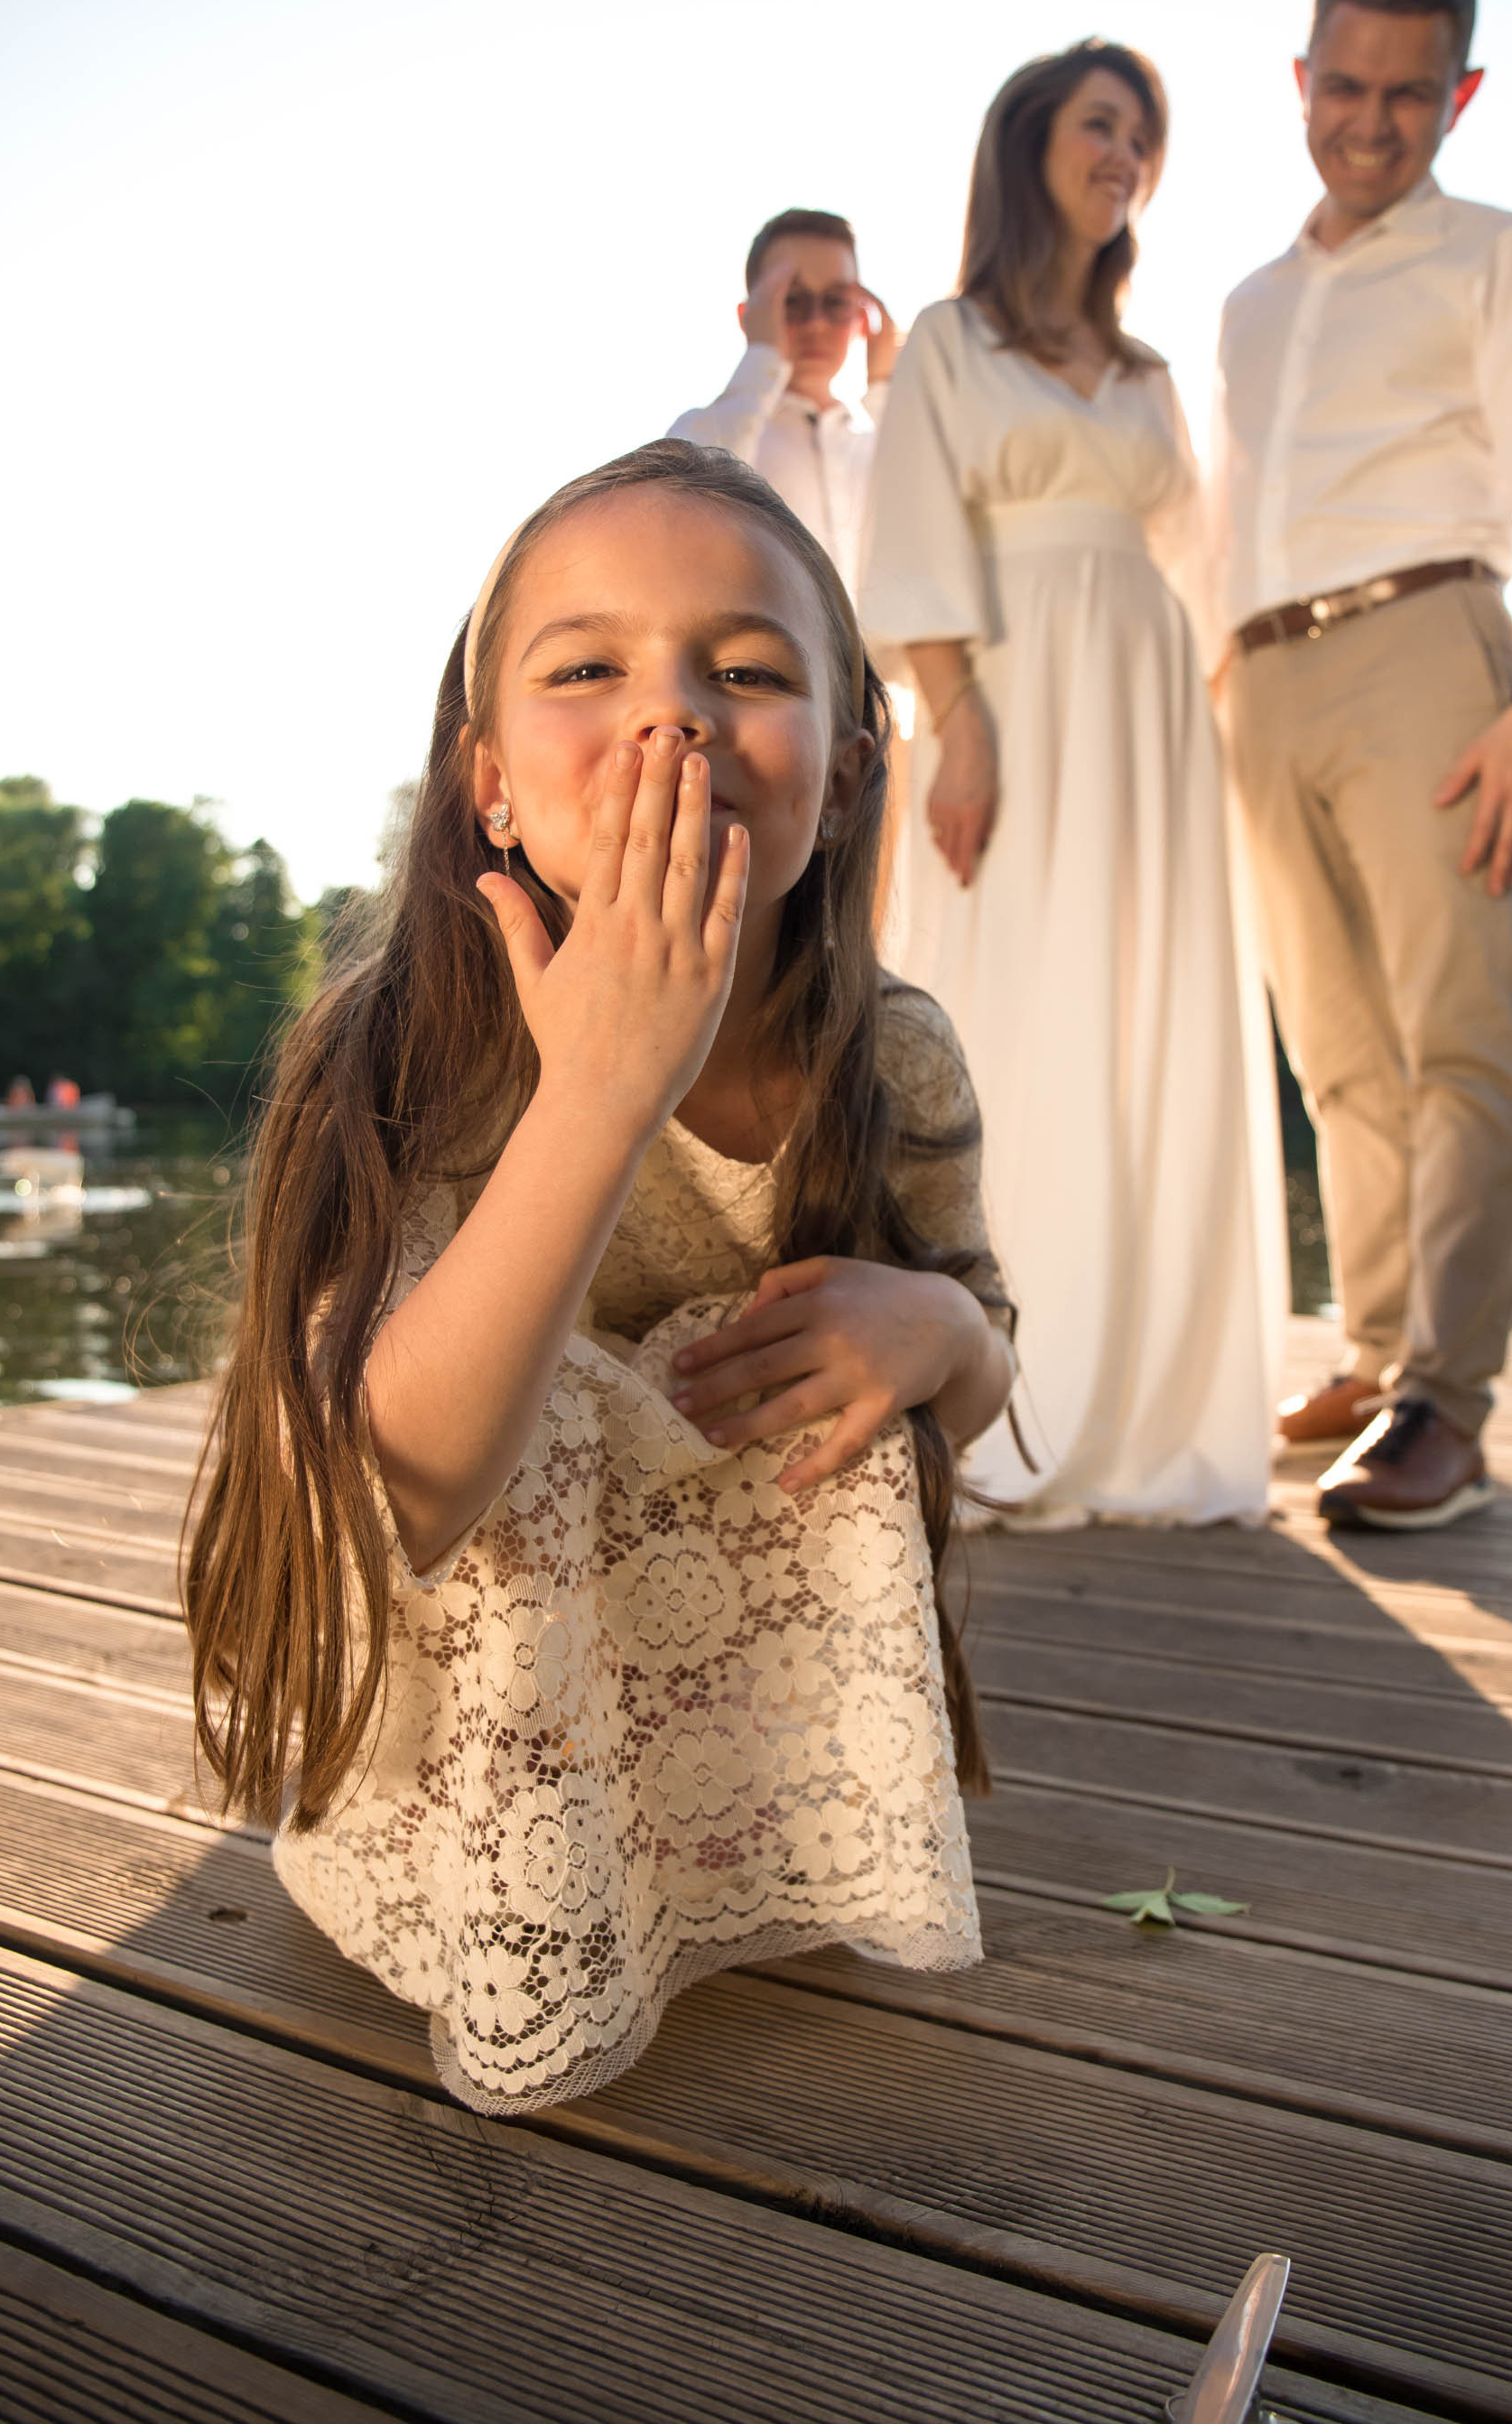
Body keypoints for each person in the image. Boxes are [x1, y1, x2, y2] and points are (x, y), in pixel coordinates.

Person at [183, 441, 1015, 2114]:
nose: (675, 715)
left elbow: (981, 1371)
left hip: (725, 1687)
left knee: (797, 1362)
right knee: (543, 1397)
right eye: (589, 668)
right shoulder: (399, 1049)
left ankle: (755, 1846)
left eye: (748, 670)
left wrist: (935, 1334)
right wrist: (605, 1090)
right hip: (449, 1688)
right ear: (489, 781)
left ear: (848, 775)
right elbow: (398, 1493)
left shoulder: (890, 1052)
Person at [1206, 0, 1512, 1530]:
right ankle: (1378, 1358)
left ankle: (1449, 1402)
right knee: (1336, 1053)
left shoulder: (1506, 258)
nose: (1371, 123)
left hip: (1432, 641)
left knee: (1455, 1038)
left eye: (1408, 93)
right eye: (1344, 87)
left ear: (1461, 93)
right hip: (1264, 674)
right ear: (1299, 82)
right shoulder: (1250, 304)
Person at [860, 42, 1283, 1528]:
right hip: (1012, 698)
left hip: (1155, 724)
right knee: (1014, 1019)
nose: (1127, 155)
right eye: (1104, 126)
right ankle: (995, 1401)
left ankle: (1153, 1407)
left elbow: (1203, 574)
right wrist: (957, 713)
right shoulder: (952, 339)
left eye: (1144, 138)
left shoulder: (1159, 377)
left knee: (1143, 1024)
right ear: (1033, 142)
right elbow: (909, 536)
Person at [668, 209, 899, 596]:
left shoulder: (879, 441)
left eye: (836, 301)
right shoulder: (713, 435)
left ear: (861, 315)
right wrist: (762, 356)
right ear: (751, 315)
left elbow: (931, 510)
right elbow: (683, 506)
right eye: (791, 301)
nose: (816, 323)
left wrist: (885, 388)